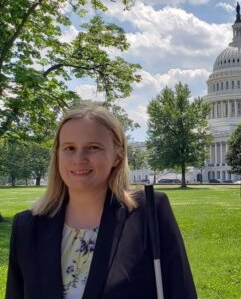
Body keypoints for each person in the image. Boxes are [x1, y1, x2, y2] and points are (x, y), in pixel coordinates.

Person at [6, 106, 197, 299]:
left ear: (117, 156)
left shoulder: (149, 213)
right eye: (69, 148)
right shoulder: (27, 227)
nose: (79, 159)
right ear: (57, 155)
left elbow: (181, 291)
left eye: (93, 147)